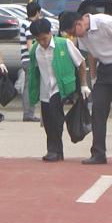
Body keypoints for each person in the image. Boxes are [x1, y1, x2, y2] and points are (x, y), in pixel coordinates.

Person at [71, 10, 112, 166]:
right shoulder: (82, 34)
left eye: (74, 31)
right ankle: (98, 153)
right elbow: (91, 55)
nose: (75, 36)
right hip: (104, 69)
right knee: (98, 111)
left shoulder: (106, 22)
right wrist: (93, 77)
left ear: (79, 23)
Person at [26, 18, 90, 162]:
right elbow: (33, 71)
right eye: (39, 39)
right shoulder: (35, 50)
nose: (42, 42)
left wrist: (83, 84)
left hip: (60, 87)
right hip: (44, 89)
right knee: (48, 120)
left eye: (44, 38)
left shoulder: (64, 44)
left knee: (56, 118)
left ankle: (54, 150)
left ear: (50, 33)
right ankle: (54, 150)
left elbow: (81, 62)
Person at [17, 1, 42, 122]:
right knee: (30, 87)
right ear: (37, 12)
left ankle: (29, 113)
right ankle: (28, 114)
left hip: (25, 59)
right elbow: (30, 45)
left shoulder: (24, 23)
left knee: (30, 86)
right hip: (30, 60)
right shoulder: (29, 25)